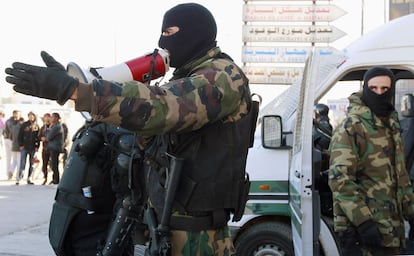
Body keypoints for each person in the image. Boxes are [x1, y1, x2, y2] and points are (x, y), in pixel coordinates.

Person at [4, 3, 257, 255]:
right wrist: (76, 87)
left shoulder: (223, 77)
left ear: (196, 32)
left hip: (201, 241)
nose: (161, 40)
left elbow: (162, 106)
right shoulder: (184, 79)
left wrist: (76, 91)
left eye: (169, 33)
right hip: (163, 230)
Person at [328, 66, 414, 255]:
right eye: (373, 88)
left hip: (391, 231)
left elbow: (401, 177)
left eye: (384, 89)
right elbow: (340, 181)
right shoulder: (352, 127)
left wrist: (411, 213)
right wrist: (364, 223)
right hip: (362, 233)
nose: (379, 93)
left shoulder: (391, 125)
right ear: (365, 88)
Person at [18, 111, 40, 185]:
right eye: (30, 116)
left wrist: (37, 146)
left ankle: (29, 178)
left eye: (32, 116)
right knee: (23, 163)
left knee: (32, 164)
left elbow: (38, 137)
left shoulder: (36, 126)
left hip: (33, 148)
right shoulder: (24, 125)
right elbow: (20, 135)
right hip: (24, 147)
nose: (31, 117)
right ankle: (20, 178)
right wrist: (21, 145)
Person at [42, 112, 64, 185]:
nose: (50, 119)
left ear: (56, 118)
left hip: (55, 147)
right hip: (52, 147)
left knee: (54, 164)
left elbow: (49, 137)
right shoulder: (54, 125)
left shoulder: (57, 126)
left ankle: (56, 180)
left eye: (52, 117)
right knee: (53, 164)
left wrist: (45, 138)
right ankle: (54, 179)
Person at [3, 110, 21, 179]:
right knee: (15, 158)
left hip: (7, 139)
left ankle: (8, 173)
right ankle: (11, 172)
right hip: (11, 140)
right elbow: (13, 132)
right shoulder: (13, 122)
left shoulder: (8, 120)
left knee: (8, 158)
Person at [38, 113, 51, 185]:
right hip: (45, 148)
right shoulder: (43, 127)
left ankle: (52, 178)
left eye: (48, 118)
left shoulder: (53, 127)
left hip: (51, 148)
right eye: (45, 118)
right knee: (44, 163)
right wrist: (41, 138)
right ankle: (45, 177)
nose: (47, 120)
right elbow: (39, 136)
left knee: (52, 164)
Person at [11, 117, 24, 185]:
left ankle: (11, 170)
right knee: (19, 162)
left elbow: (10, 136)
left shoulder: (13, 127)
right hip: (19, 147)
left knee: (14, 160)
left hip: (13, 146)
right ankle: (17, 176)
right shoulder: (21, 128)